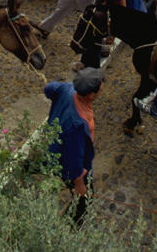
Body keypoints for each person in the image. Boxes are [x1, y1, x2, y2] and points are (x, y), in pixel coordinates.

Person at [45, 66, 103, 224]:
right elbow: (73, 157)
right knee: (86, 198)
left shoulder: (67, 89)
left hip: (54, 145)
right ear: (91, 95)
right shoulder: (76, 124)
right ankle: (72, 224)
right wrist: (79, 183)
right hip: (71, 162)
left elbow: (49, 88)